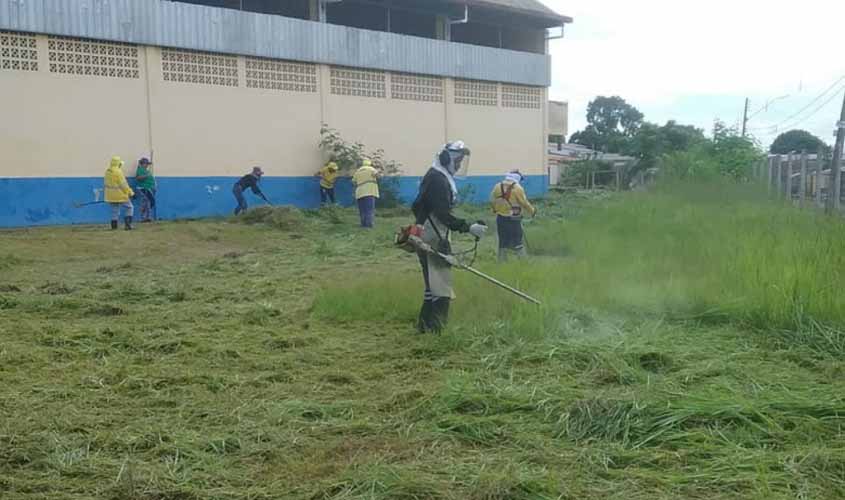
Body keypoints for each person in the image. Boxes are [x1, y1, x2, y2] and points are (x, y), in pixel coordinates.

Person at [412, 141, 487, 333]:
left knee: (432, 284)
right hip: (433, 234)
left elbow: (419, 207)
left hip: (428, 231)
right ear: (447, 158)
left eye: (462, 160)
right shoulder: (438, 179)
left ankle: (424, 326)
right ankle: (437, 331)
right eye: (458, 160)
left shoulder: (435, 174)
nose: (460, 165)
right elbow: (443, 214)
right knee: (441, 286)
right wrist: (468, 227)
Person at [490, 170, 536, 261]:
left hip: (500, 218)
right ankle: (523, 260)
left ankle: (502, 261)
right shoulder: (517, 188)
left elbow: (492, 199)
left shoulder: (497, 186)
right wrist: (532, 211)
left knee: (502, 240)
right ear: (517, 178)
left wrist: (495, 209)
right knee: (517, 239)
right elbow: (524, 203)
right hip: (514, 218)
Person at [104, 156, 135, 231]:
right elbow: (123, 185)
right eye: (120, 164)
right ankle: (128, 225)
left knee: (115, 210)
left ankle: (114, 227)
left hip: (110, 195)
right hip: (120, 195)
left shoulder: (107, 171)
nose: (121, 165)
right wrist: (131, 193)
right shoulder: (118, 172)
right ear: (118, 163)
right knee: (129, 207)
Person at [352, 159, 379, 228]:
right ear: (369, 164)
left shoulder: (358, 171)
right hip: (369, 192)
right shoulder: (371, 169)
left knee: (362, 210)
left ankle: (363, 224)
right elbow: (377, 175)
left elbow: (353, 182)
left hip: (359, 193)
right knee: (369, 209)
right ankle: (369, 225)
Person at [135, 157, 156, 222]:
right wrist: (146, 176)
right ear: (143, 164)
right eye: (146, 164)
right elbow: (138, 178)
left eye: (148, 164)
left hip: (149, 188)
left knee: (147, 203)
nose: (147, 165)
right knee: (147, 203)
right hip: (144, 188)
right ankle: (145, 217)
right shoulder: (140, 170)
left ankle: (146, 217)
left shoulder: (146, 170)